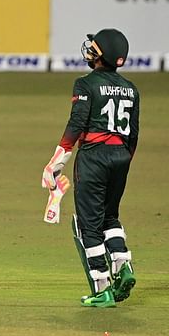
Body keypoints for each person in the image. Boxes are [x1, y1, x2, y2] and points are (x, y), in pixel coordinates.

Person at [41, 28, 139, 308]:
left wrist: (55, 163)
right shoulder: (131, 88)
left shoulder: (85, 84)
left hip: (94, 158)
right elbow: (134, 134)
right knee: (111, 216)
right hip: (121, 157)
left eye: (94, 47)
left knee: (89, 225)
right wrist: (121, 160)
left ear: (101, 55)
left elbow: (76, 125)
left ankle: (102, 288)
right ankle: (123, 266)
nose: (90, 50)